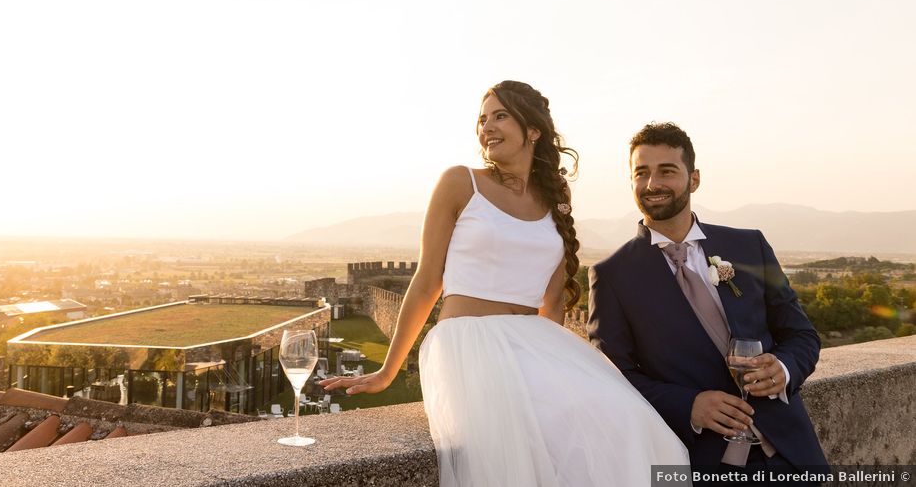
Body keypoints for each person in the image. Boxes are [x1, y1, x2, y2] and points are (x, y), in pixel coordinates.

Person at [321, 81, 688, 486]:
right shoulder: (461, 182)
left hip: (537, 344)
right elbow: (427, 282)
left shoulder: (555, 195)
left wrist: (562, 369)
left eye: (499, 116)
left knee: (640, 429)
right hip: (470, 344)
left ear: (533, 130)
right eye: (482, 119)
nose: (486, 127)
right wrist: (388, 371)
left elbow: (552, 303)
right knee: (530, 446)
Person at [588, 122, 828, 476]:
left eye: (666, 171)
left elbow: (801, 335)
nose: (652, 184)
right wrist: (689, 405)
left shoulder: (750, 246)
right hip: (700, 463)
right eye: (641, 173)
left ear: (694, 179)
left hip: (793, 457)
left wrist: (785, 368)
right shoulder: (612, 275)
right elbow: (613, 377)